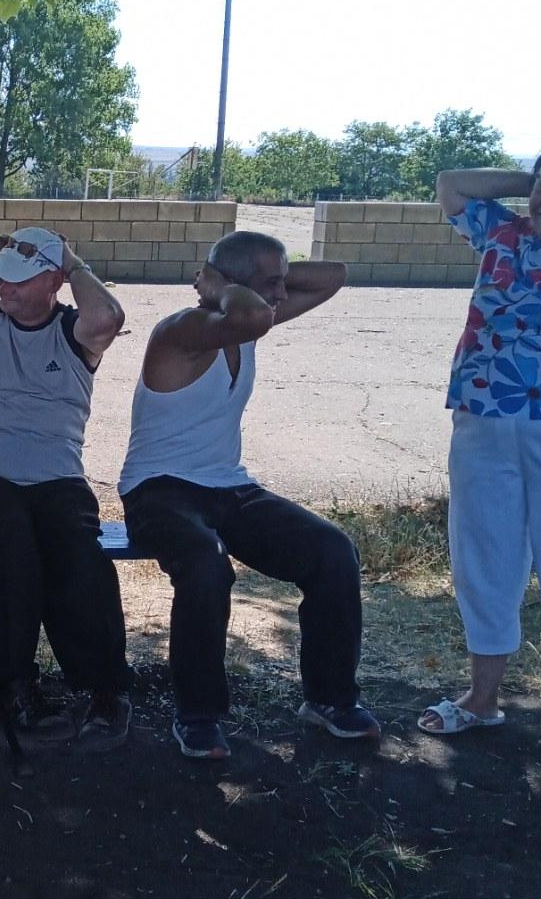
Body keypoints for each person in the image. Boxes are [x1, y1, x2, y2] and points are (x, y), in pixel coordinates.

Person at [119, 230, 379, 761]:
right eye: (272, 284)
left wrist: (257, 273)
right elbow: (255, 313)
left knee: (333, 551)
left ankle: (330, 699)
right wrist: (223, 285)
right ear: (235, 289)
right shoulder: (183, 330)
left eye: (282, 283)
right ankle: (197, 715)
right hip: (158, 490)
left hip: (228, 485)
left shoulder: (248, 320)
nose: (282, 295)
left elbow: (334, 277)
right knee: (206, 564)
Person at [0, 226, 132, 742]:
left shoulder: (77, 331)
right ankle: (14, 685)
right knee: (6, 549)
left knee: (78, 554)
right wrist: (5, 244)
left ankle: (104, 688)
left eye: (19, 279)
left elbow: (110, 317)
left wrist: (70, 259)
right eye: (2, 278)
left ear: (55, 282)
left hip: (57, 475)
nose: (5, 287)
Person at [418, 138, 541, 734]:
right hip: (482, 416)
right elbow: (451, 183)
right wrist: (532, 183)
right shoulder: (502, 234)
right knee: (484, 555)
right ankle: (481, 700)